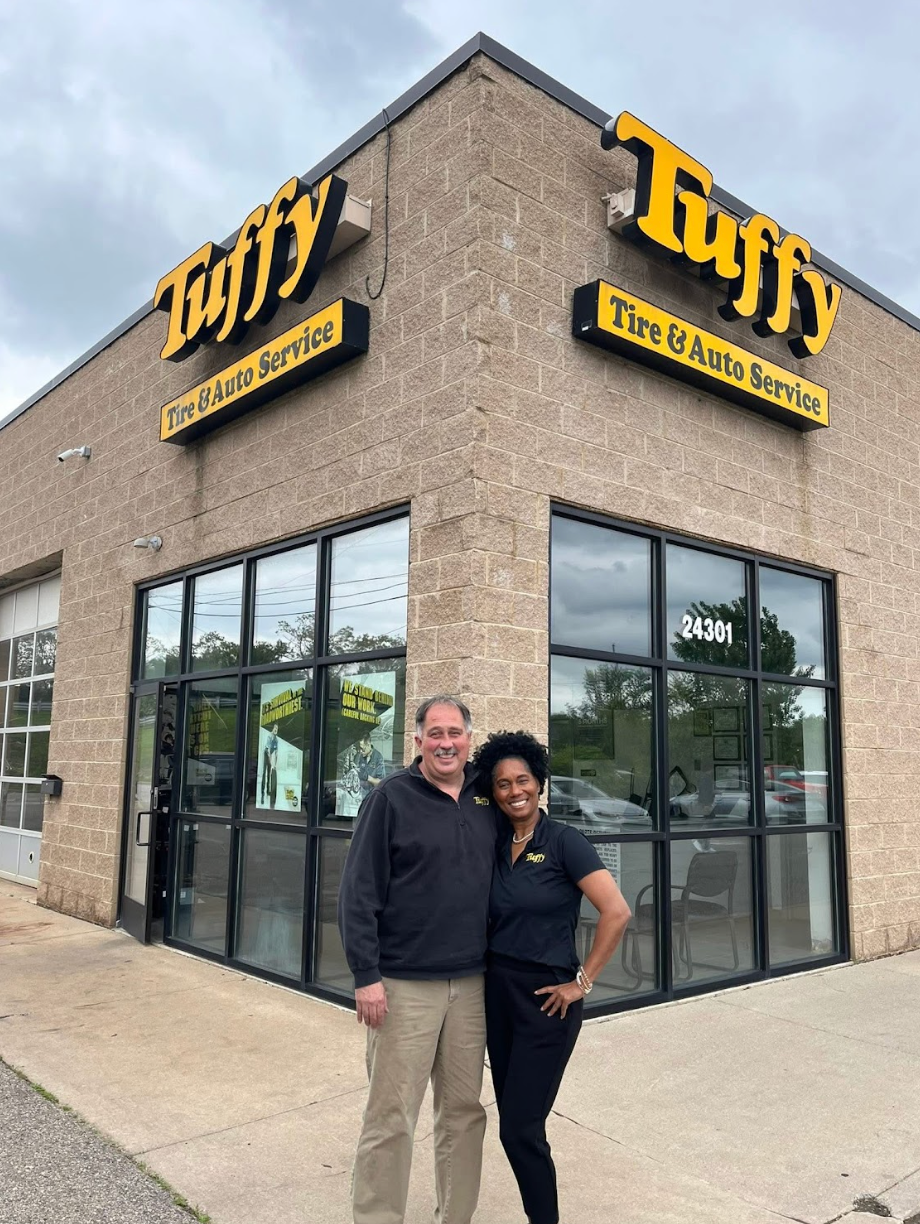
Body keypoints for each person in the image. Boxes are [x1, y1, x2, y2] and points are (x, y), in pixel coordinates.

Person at [337, 695, 498, 1224]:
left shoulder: (487, 796)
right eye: (435, 733)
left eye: (455, 732)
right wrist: (366, 977)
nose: (446, 742)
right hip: (402, 986)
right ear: (418, 741)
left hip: (472, 985)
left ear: (469, 739)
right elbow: (358, 893)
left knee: (463, 1114)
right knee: (391, 1117)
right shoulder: (390, 799)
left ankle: (454, 1217)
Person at [472, 730, 632, 1224]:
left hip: (547, 1001)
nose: (514, 790)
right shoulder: (496, 843)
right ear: (493, 792)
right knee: (515, 1125)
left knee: (520, 1129)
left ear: (540, 784)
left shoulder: (565, 841)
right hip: (497, 994)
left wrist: (582, 983)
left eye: (523, 780)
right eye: (502, 783)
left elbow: (617, 912)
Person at [354, 731, 385, 799]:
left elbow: (380, 783)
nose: (360, 751)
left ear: (368, 744)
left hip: (373, 797)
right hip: (359, 797)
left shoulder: (378, 758)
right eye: (359, 749)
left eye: (362, 749)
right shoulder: (359, 757)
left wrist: (367, 777)